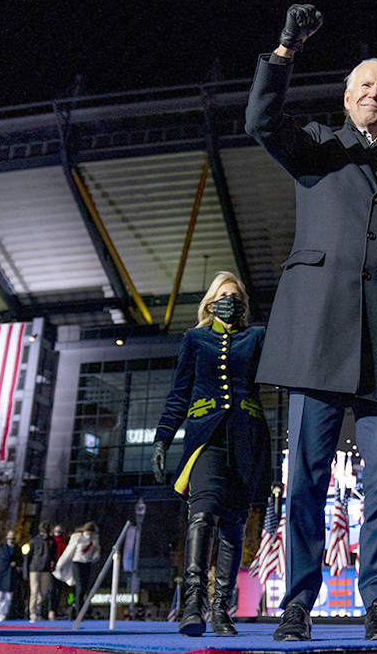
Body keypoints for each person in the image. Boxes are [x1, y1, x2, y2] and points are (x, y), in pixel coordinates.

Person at [245, 4, 377, 642]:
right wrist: (285, 51)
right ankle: (298, 604)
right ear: (346, 95)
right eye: (365, 86)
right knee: (304, 479)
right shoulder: (316, 148)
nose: (375, 95)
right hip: (316, 336)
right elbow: (259, 121)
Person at [152, 271, 271, 637]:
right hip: (206, 437)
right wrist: (162, 439)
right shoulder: (196, 339)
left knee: (234, 527)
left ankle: (222, 608)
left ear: (244, 305)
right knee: (203, 513)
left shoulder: (257, 337)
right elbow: (178, 393)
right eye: (222, 294)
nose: (229, 301)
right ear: (210, 301)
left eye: (236, 296)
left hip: (247, 439)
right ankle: (194, 602)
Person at [54, 522, 100, 619]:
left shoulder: (94, 538)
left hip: (87, 563)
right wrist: (60, 564)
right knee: (79, 588)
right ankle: (79, 612)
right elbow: (69, 551)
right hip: (77, 563)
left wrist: (95, 557)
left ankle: (80, 607)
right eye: (88, 533)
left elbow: (96, 550)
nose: (89, 535)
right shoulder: (77, 537)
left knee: (85, 588)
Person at [0, 530, 23, 622]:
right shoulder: (0, 548)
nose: (11, 540)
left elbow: (21, 561)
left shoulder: (18, 550)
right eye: (10, 538)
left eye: (13, 538)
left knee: (8, 598)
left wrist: (17, 566)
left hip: (11, 577)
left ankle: (2, 614)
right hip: (1, 576)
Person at [25, 521, 56, 622]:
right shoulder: (34, 541)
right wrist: (26, 572)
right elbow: (28, 557)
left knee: (43, 592)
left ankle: (38, 608)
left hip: (46, 569)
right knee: (34, 591)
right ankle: (32, 613)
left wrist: (53, 563)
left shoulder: (52, 541)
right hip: (34, 569)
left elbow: (54, 555)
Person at [47, 524, 67, 620]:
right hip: (52, 568)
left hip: (61, 568)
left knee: (59, 590)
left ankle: (56, 608)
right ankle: (50, 610)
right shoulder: (51, 541)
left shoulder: (64, 541)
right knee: (51, 590)